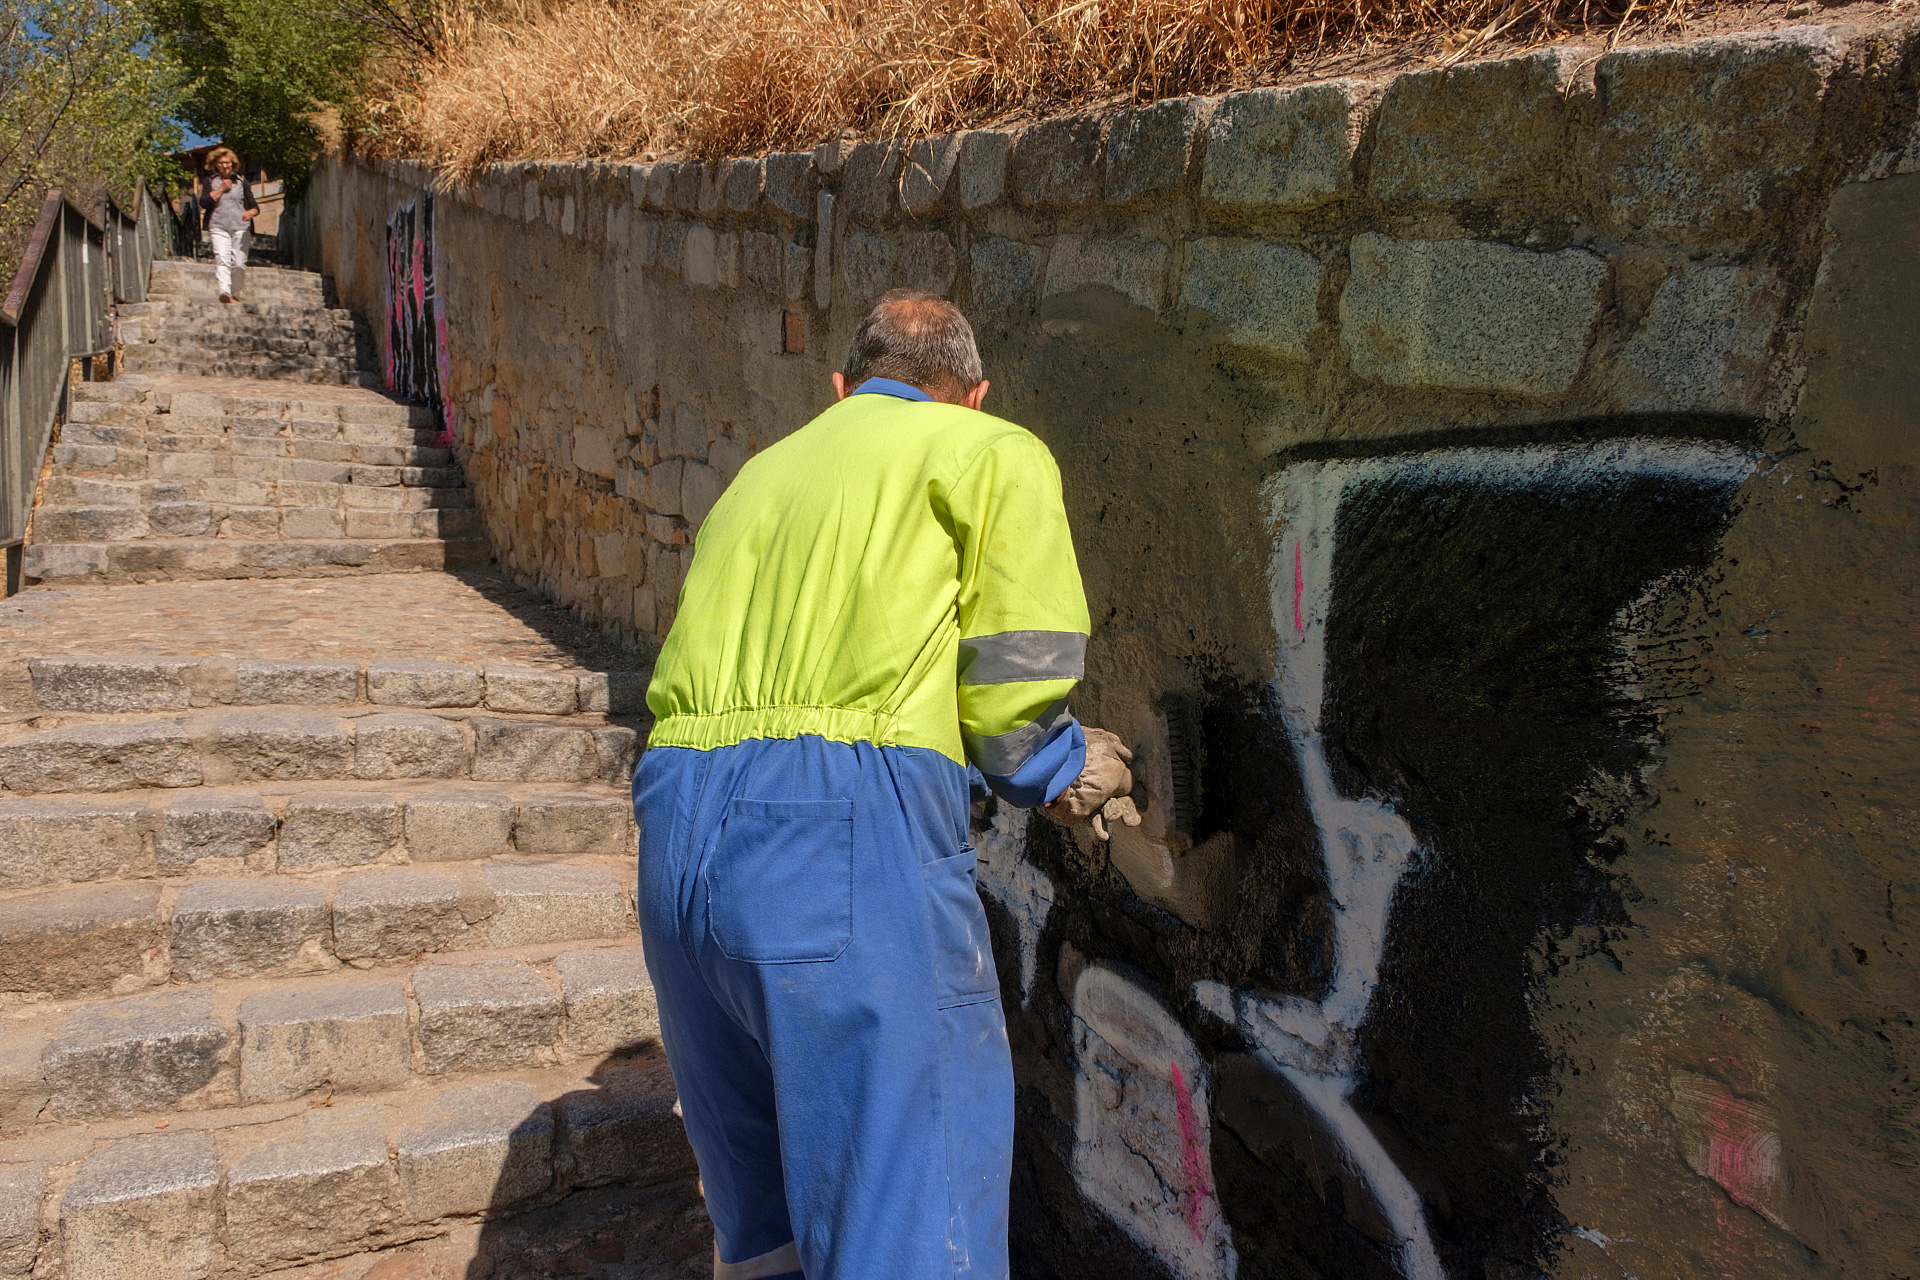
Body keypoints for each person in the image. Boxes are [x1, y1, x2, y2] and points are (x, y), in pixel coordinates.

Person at [636, 289, 1139, 1280]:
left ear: (841, 387)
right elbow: (1012, 686)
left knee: (764, 1230)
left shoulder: (761, 475)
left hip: (676, 832)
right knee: (912, 1226)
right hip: (843, 836)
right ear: (976, 392)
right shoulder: (990, 450)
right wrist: (1065, 762)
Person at [197, 146, 256, 303]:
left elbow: (254, 205)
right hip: (218, 226)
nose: (225, 166)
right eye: (221, 163)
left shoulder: (242, 182)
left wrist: (251, 212)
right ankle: (224, 291)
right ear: (215, 164)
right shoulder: (210, 181)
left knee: (238, 264)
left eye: (228, 162)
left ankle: (236, 292)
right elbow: (204, 202)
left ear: (233, 164)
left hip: (240, 229)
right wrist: (222, 189)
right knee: (222, 259)